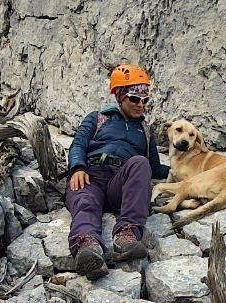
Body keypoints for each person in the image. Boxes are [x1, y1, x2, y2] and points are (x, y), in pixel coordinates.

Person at [66, 64, 169, 278]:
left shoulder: (146, 130)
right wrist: (77, 167)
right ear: (120, 96)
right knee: (85, 202)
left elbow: (155, 168)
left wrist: (189, 171)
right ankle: (87, 248)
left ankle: (126, 235)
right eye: (134, 98)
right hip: (91, 176)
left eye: (145, 100)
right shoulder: (97, 118)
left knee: (140, 162)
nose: (140, 105)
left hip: (120, 183)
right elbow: (78, 144)